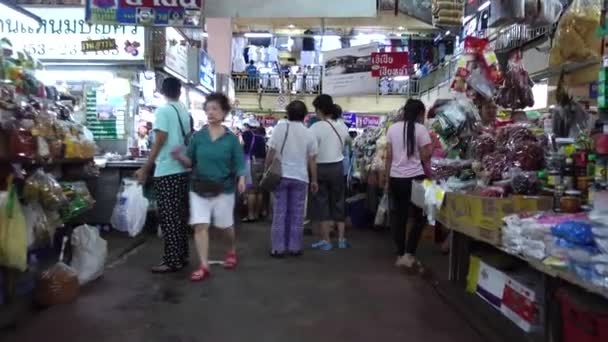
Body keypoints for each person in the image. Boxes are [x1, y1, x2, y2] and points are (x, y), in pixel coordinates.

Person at [172, 92, 246, 281]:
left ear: (224, 113)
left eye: (215, 109)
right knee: (200, 225)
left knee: (224, 227)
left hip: (224, 189)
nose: (210, 112)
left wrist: (242, 179)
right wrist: (180, 157)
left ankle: (230, 250)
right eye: (208, 109)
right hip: (199, 188)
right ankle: (204, 265)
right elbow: (190, 162)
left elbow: (239, 162)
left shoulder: (231, 139)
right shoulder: (198, 137)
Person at [135, 77, 191, 273]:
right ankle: (181, 256)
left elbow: (160, 140)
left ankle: (171, 260)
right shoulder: (183, 111)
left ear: (161, 90)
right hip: (182, 171)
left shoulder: (163, 111)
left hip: (167, 169)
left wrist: (145, 167)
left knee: (168, 218)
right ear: (180, 91)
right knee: (179, 217)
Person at [385, 99, 432, 271]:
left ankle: (400, 253)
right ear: (420, 113)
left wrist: (387, 180)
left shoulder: (392, 128)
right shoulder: (421, 129)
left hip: (396, 179)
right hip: (417, 179)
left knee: (399, 218)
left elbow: (389, 156)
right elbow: (426, 156)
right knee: (420, 218)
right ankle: (409, 253)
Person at [267, 100, 318, 257]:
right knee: (297, 214)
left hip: (280, 175)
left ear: (288, 113)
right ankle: (295, 247)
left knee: (279, 213)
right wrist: (314, 180)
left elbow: (271, 151)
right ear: (305, 116)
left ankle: (278, 248)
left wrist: (266, 169)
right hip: (300, 177)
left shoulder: (280, 128)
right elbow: (312, 160)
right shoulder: (309, 133)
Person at [309, 94, 351, 250]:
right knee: (339, 202)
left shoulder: (315, 127)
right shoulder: (342, 126)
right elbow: (347, 142)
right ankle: (341, 239)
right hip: (337, 167)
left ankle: (326, 241)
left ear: (319, 109)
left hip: (320, 168)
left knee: (322, 203)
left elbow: (311, 152)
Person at [241, 117, 267, 222]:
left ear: (247, 126)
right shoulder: (261, 137)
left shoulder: (246, 135)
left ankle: (250, 215)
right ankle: (257, 213)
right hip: (261, 163)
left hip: (251, 163)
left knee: (251, 191)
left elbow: (240, 148)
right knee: (259, 191)